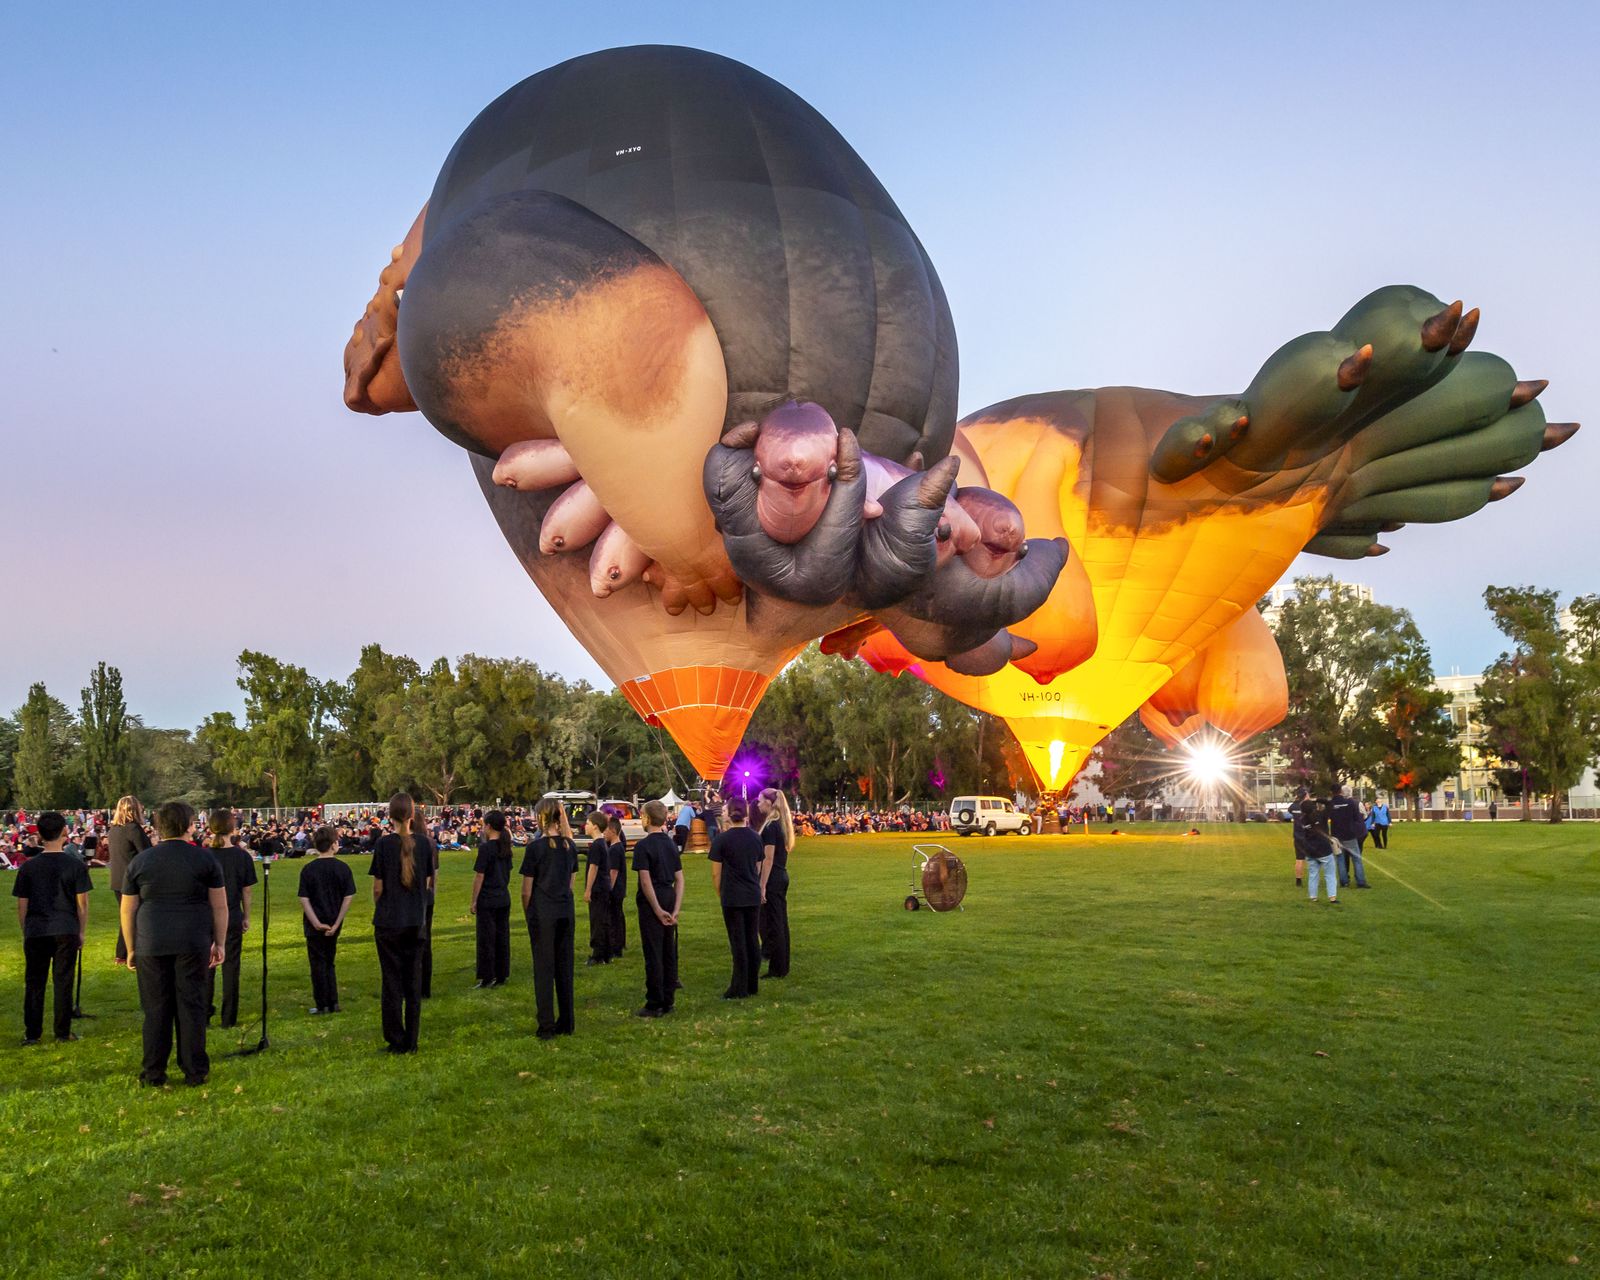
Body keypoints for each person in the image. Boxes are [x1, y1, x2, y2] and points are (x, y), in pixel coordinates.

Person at [121, 801, 227, 1086]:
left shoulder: (141, 861)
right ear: (190, 825)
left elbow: (127, 909)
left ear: (158, 827)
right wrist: (219, 942)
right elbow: (219, 906)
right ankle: (194, 1070)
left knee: (155, 1009)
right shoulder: (205, 860)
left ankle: (153, 1072)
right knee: (191, 1006)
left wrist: (131, 947)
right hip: (192, 939)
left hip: (151, 940)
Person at [13, 811, 91, 1045]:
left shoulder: (29, 867)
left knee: (35, 982)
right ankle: (62, 1031)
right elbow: (82, 904)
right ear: (65, 832)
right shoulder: (75, 865)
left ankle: (32, 1033)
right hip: (65, 927)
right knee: (63, 981)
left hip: (37, 928)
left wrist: (25, 929)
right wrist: (81, 931)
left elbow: (22, 904)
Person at [369, 793, 432, 1054]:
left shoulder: (384, 845)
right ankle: (412, 1040)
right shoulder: (426, 845)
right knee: (413, 981)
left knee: (392, 982)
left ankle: (396, 1039)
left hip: (389, 922)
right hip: (415, 921)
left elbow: (377, 888)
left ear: (390, 815)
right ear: (412, 814)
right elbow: (427, 883)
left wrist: (382, 908)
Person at [520, 799, 577, 1039]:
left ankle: (546, 1025)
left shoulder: (536, 848)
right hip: (565, 909)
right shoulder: (569, 846)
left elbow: (526, 889)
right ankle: (567, 1020)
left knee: (544, 969)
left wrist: (528, 911)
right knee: (564, 967)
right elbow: (572, 880)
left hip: (543, 912)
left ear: (540, 818)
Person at [708, 798, 768, 999]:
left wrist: (720, 892)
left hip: (732, 895)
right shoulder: (755, 837)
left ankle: (738, 986)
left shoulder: (721, 840)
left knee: (738, 942)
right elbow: (758, 866)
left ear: (729, 814)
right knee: (752, 939)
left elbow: (716, 873)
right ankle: (752, 983)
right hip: (751, 893)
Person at [205, 809, 257, 1027]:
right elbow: (247, 890)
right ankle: (229, 1017)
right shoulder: (242, 856)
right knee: (231, 967)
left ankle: (204, 1014)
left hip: (206, 916)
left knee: (206, 967)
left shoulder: (204, 856)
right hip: (232, 914)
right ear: (233, 828)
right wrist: (247, 915)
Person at [631, 800, 683, 1018]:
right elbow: (680, 879)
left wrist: (656, 908)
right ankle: (668, 998)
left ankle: (655, 1002)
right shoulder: (670, 844)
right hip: (669, 895)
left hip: (654, 898)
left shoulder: (643, 846)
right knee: (668, 949)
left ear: (646, 818)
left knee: (653, 951)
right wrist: (675, 909)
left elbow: (645, 881)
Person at [297, 825, 356, 1014]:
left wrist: (314, 922)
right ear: (333, 845)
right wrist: (338, 922)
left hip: (314, 923)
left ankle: (322, 1003)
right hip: (333, 919)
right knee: (329, 961)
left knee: (317, 963)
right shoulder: (343, 868)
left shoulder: (308, 869)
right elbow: (348, 897)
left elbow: (304, 898)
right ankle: (333, 1001)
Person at [469, 809, 513, 988]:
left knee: (486, 939)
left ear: (488, 826)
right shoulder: (506, 848)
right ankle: (501, 973)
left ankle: (487, 976)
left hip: (488, 897)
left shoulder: (486, 848)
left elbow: (480, 875)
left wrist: (474, 900)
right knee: (502, 936)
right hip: (503, 896)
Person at [105, 796, 150, 966]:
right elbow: (146, 854)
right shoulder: (133, 829)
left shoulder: (114, 830)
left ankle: (122, 953)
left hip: (117, 879)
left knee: (126, 915)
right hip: (131, 880)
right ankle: (126, 953)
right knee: (134, 916)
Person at [756, 787, 793, 979]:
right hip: (781, 875)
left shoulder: (771, 826)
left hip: (773, 878)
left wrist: (762, 885)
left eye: (761, 800)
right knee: (780, 922)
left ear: (770, 803)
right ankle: (781, 964)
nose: (758, 803)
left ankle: (777, 968)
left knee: (774, 923)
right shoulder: (781, 824)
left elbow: (767, 858)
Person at [1290, 789, 1338, 905]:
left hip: (1310, 850)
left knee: (1313, 874)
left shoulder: (1302, 820)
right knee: (1330, 874)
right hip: (1324, 849)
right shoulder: (1321, 816)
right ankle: (1332, 897)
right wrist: (1317, 799)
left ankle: (1313, 897)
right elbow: (1330, 804)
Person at [412, 808, 438, 999]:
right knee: (425, 940)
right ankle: (425, 987)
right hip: (427, 895)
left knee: (412, 942)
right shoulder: (430, 844)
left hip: (413, 896)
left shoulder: (412, 843)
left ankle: (414, 985)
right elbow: (434, 874)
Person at [581, 811, 612, 966]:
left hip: (598, 888)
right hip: (605, 886)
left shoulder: (596, 846)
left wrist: (588, 890)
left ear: (594, 826)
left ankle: (597, 954)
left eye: (587, 823)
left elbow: (593, 868)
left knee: (597, 920)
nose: (585, 826)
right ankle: (606, 953)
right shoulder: (603, 844)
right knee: (604, 919)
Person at [1328, 784, 1370, 890]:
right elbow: (1357, 818)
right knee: (1356, 858)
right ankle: (1360, 881)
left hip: (1336, 835)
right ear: (1341, 791)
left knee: (1340, 859)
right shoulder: (1350, 803)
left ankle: (1344, 881)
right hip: (1349, 834)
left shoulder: (1331, 804)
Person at [606, 814, 628, 961]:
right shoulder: (618, 847)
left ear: (613, 831)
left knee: (614, 917)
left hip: (615, 889)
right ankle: (620, 943)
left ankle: (616, 946)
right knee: (618, 915)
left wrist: (608, 890)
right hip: (620, 889)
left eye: (605, 830)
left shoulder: (614, 850)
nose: (603, 833)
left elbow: (613, 872)